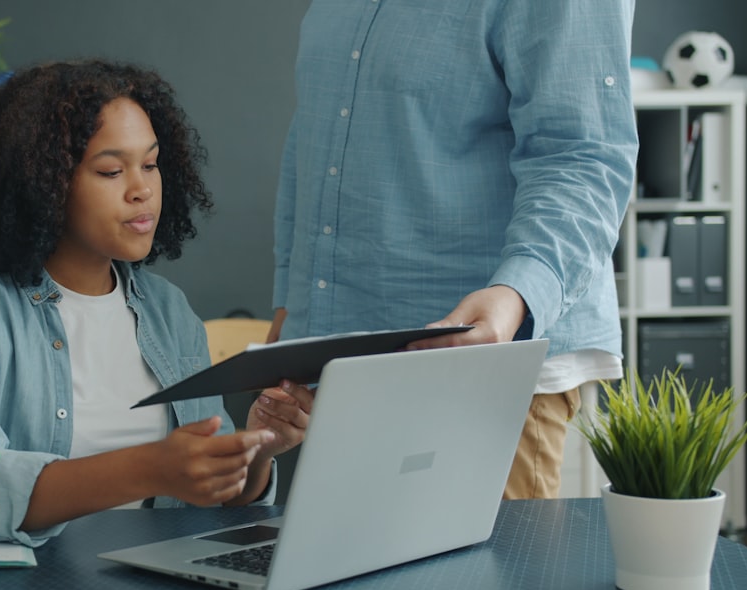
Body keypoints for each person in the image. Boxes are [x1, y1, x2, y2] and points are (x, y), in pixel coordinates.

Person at [0, 60, 312, 546]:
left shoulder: (169, 312)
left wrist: (257, 451)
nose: (142, 190)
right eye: (112, 170)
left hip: (160, 582)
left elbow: (214, 503)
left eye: (151, 164)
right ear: (44, 183)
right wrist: (148, 468)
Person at [269, 1, 638, 499]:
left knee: (487, 579)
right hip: (346, 361)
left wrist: (514, 297)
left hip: (483, 366)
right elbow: (313, 137)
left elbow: (581, 154)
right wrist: (293, 306)